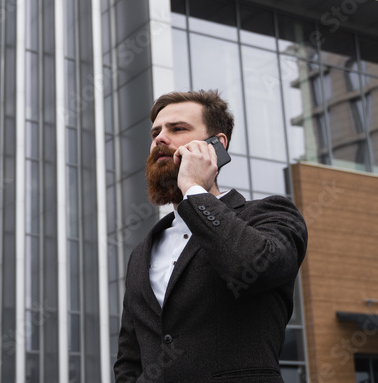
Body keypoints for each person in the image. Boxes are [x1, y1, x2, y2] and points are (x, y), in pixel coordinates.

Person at [114, 89, 308, 383]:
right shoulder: (142, 252)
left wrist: (194, 189)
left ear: (216, 145)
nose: (159, 139)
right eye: (156, 132)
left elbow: (253, 266)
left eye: (177, 129)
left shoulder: (271, 214)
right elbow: (129, 358)